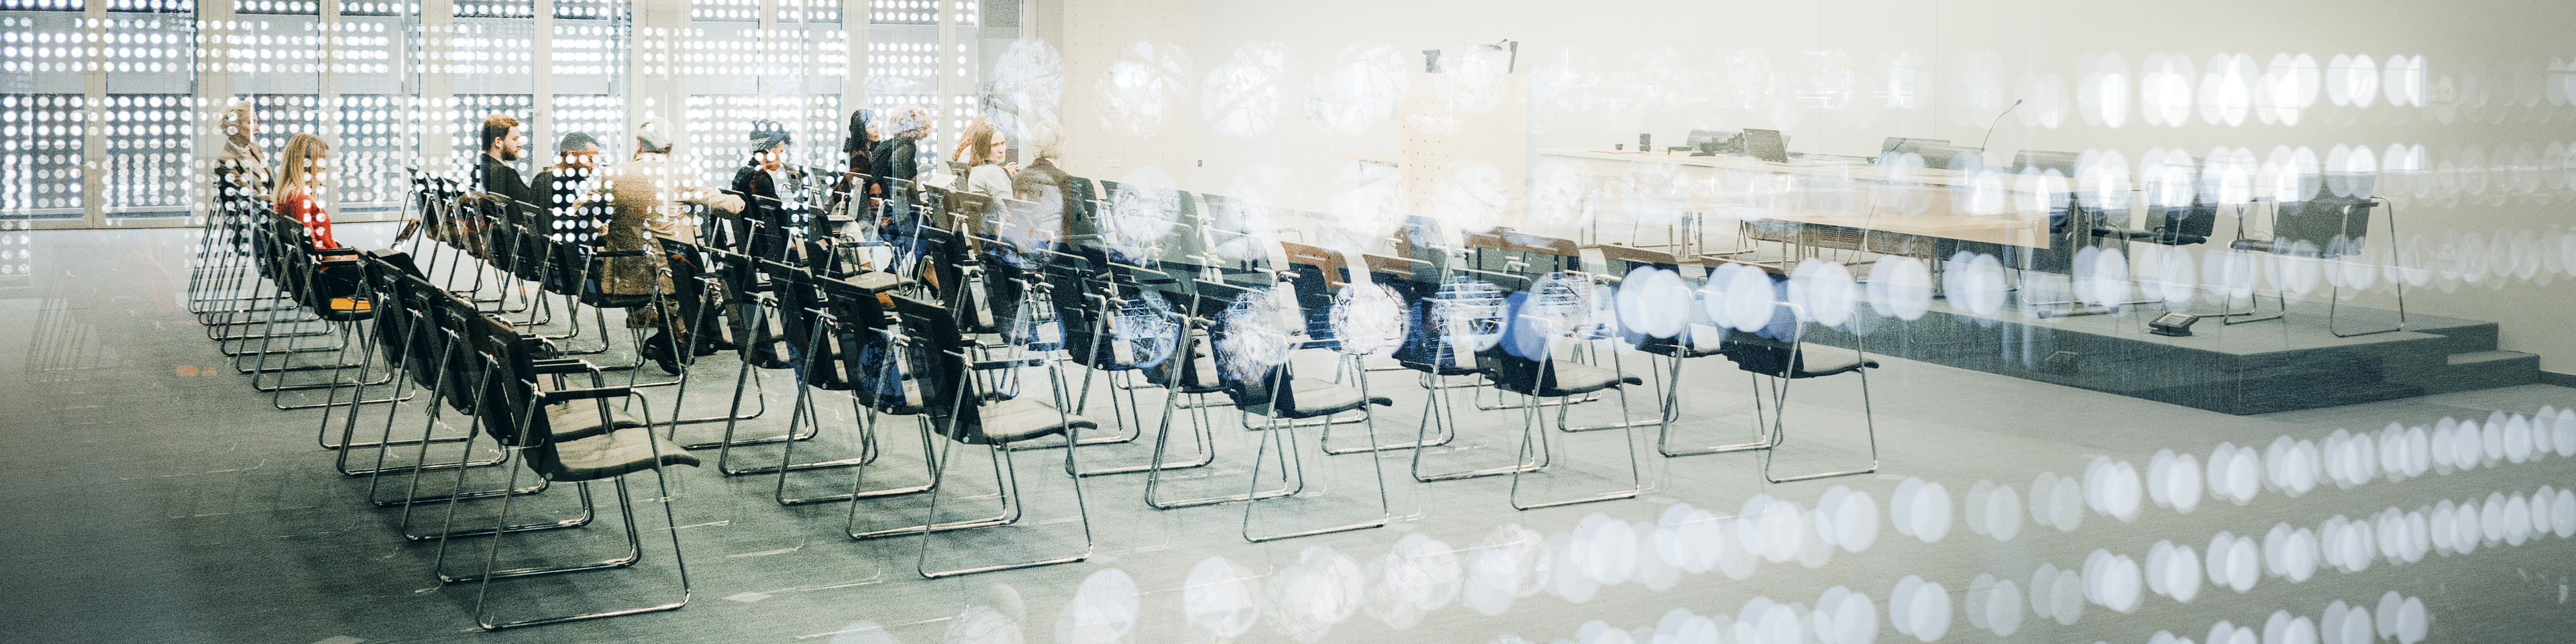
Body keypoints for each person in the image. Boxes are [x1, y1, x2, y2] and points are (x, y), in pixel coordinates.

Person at [604, 122, 745, 374]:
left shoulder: (613, 174)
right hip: (669, 273)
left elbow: (579, 210)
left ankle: (679, 338)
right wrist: (739, 199)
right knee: (713, 287)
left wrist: (603, 231)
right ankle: (671, 341)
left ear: (638, 145)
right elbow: (725, 206)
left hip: (623, 272)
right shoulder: (679, 175)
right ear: (669, 150)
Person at [730, 120, 807, 261]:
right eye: (781, 151)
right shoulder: (760, 179)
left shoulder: (743, 173)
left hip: (753, 247)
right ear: (769, 150)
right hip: (771, 251)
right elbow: (779, 220)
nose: (782, 157)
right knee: (820, 248)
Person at [272, 133, 339, 250]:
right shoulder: (299, 197)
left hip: (330, 257)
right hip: (329, 264)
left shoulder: (287, 193)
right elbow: (310, 246)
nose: (323, 168)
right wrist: (343, 258)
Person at [825, 108, 875, 238]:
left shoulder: (855, 151)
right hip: (862, 207)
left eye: (877, 125)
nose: (877, 130)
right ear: (862, 130)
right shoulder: (860, 154)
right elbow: (860, 184)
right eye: (872, 126)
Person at [471, 114, 537, 209]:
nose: (519, 144)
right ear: (498, 142)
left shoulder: (481, 166)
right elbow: (532, 206)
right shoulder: (502, 173)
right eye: (514, 139)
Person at [953, 116, 1013, 199]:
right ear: (983, 148)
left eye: (1003, 143)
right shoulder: (994, 172)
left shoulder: (976, 170)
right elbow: (1005, 208)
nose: (1001, 150)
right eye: (995, 145)